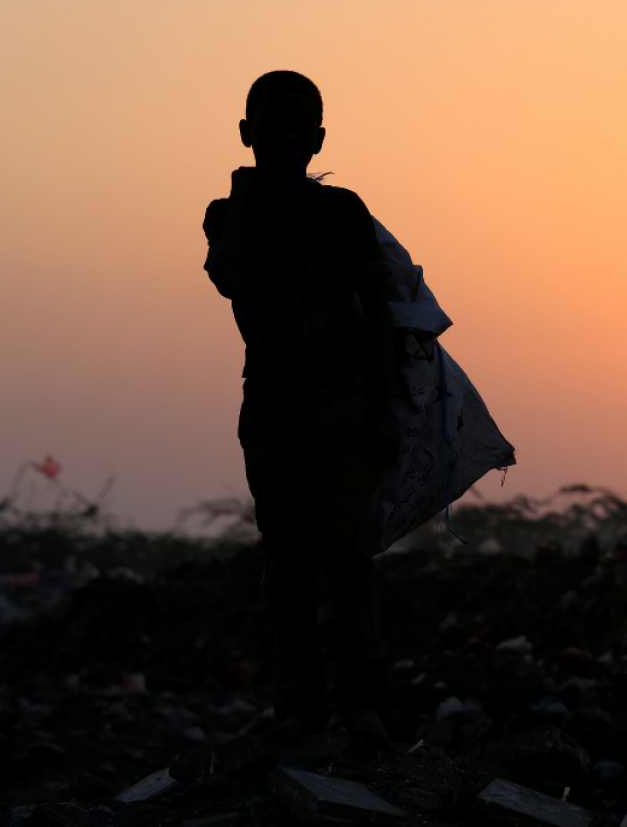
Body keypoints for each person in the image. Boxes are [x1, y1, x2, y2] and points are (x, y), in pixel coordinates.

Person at [201, 70, 400, 752]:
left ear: (318, 138)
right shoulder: (229, 214)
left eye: (298, 126)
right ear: (246, 134)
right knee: (286, 566)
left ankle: (364, 709)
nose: (285, 138)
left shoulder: (343, 211)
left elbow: (379, 312)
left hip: (342, 404)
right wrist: (243, 191)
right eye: (271, 124)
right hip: (273, 408)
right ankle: (301, 712)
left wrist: (383, 409)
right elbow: (229, 275)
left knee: (348, 561)